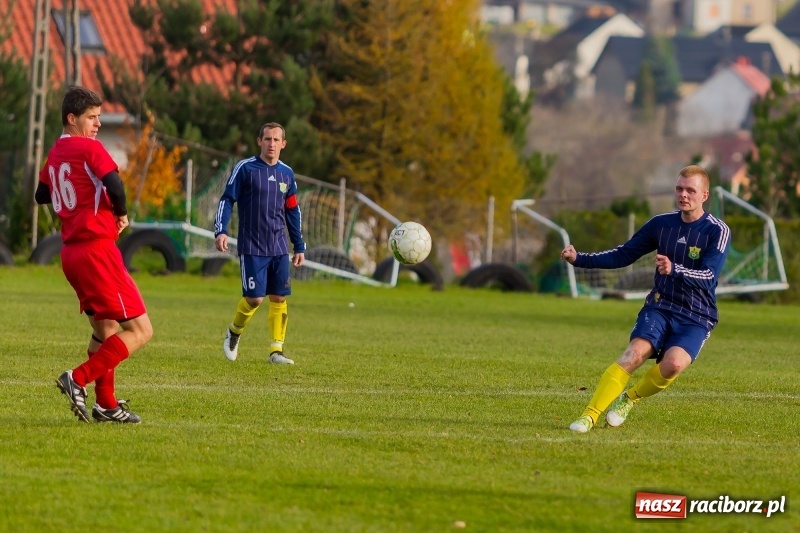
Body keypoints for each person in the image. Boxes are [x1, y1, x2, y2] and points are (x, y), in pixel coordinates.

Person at [560, 165, 730, 433]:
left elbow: (709, 276)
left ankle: (629, 399)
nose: (683, 194)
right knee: (633, 354)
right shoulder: (661, 224)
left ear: (705, 195)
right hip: (660, 306)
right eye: (679, 189)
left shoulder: (717, 230)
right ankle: (589, 415)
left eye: (690, 190)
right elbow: (623, 255)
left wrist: (674, 269)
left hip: (697, 314)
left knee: (673, 365)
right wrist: (579, 258)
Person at [36, 86, 153, 424]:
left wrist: (74, 199)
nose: (98, 124)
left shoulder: (58, 151)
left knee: (106, 329)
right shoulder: (88, 148)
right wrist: (120, 212)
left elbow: (42, 193)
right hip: (97, 250)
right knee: (142, 331)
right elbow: (114, 184)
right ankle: (78, 377)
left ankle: (106, 404)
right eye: (92, 117)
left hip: (71, 253)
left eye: (99, 117)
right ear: (71, 118)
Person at [214, 122, 306, 365]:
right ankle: (234, 332)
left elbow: (293, 211)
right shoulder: (245, 168)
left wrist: (299, 245)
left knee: (278, 297)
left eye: (277, 140)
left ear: (283, 144)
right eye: (267, 139)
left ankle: (276, 351)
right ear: (259, 141)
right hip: (252, 246)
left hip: (278, 246)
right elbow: (227, 199)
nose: (272, 144)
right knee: (255, 299)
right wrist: (220, 230)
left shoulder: (287, 173)